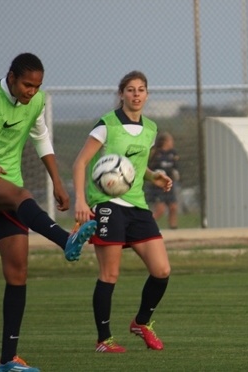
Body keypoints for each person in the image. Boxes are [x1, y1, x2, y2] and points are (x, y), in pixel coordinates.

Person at [0, 52, 97, 372]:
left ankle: (8, 360)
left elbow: (41, 138)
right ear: (12, 77)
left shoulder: (36, 101)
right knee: (21, 194)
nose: (32, 91)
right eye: (27, 85)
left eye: (37, 86)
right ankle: (65, 240)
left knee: (17, 272)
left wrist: (59, 183)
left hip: (8, 187)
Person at [72, 70, 172, 353]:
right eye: (130, 89)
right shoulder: (106, 125)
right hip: (106, 206)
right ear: (121, 94)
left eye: (141, 89)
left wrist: (154, 177)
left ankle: (142, 322)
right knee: (110, 274)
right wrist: (81, 202)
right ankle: (104, 340)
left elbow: (131, 170)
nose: (136, 94)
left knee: (162, 270)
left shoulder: (151, 129)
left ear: (147, 94)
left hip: (137, 206)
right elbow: (80, 164)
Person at [146, 131, 180, 229]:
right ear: (164, 142)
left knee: (173, 207)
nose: (172, 143)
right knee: (160, 210)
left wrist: (175, 172)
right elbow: (149, 168)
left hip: (169, 183)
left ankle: (173, 228)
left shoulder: (173, 153)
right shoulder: (155, 153)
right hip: (157, 185)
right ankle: (146, 226)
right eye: (170, 141)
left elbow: (175, 166)